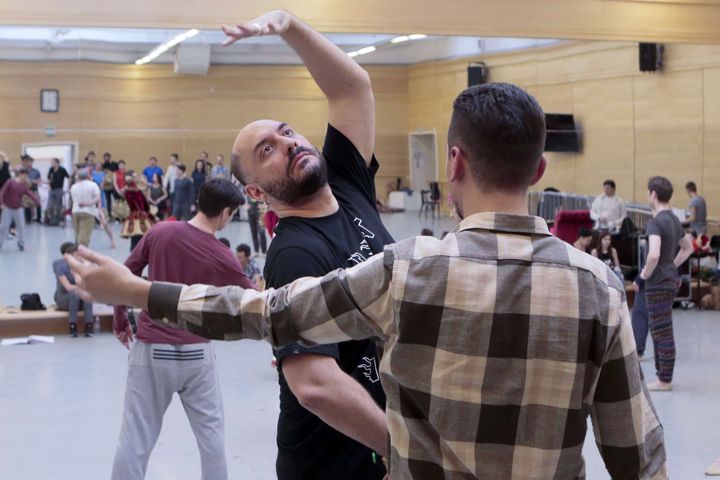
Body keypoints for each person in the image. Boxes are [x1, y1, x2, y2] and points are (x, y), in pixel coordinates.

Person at [69, 81, 669, 480]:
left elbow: (266, 312)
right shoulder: (598, 288)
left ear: (454, 164)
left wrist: (139, 292)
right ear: (539, 169)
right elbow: (635, 453)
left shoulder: (409, 269)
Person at [108, 178, 253, 480]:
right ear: (225, 213)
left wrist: (120, 316)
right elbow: (253, 299)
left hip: (151, 351)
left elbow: (123, 275)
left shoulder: (160, 231)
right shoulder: (223, 255)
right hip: (197, 354)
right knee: (211, 438)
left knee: (135, 438)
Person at [632, 176, 694, 392]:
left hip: (658, 282)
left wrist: (643, 275)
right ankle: (663, 376)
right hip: (669, 279)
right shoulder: (675, 219)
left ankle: (664, 380)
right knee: (662, 329)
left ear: (653, 194)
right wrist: (672, 266)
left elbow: (653, 255)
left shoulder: (656, 222)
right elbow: (688, 248)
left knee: (661, 332)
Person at [53, 242, 93, 337]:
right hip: (64, 299)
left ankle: (89, 324)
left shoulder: (83, 267)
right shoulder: (60, 268)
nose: (80, 258)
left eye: (80, 255)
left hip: (79, 300)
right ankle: (72, 325)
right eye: (77, 255)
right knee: (75, 294)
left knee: (86, 295)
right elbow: (68, 287)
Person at [0, 168, 41, 251]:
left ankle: (21, 243)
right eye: (25, 176)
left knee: (21, 226)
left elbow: (30, 194)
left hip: (18, 208)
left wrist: (37, 202)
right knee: (4, 226)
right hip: (8, 208)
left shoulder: (23, 186)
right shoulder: (10, 182)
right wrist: (1, 203)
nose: (26, 177)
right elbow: (2, 192)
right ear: (21, 174)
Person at [120, 175, 155, 251]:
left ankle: (133, 250)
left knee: (134, 235)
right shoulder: (138, 192)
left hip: (132, 216)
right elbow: (145, 206)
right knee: (143, 234)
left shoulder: (126, 192)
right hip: (142, 216)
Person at [70, 169, 101, 247]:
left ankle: (76, 248)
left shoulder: (73, 186)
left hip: (75, 211)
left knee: (78, 232)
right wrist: (88, 203)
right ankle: (82, 251)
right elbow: (97, 197)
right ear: (88, 176)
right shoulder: (93, 185)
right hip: (88, 212)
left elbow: (73, 199)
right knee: (84, 234)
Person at [46, 157, 69, 226]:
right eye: (51, 162)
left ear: (57, 163)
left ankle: (58, 220)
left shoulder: (62, 169)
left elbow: (69, 177)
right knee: (50, 205)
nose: (52, 164)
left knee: (58, 206)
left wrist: (68, 187)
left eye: (53, 162)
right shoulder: (51, 169)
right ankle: (51, 220)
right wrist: (49, 186)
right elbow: (49, 178)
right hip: (52, 190)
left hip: (59, 189)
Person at [21, 155, 42, 223]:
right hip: (26, 190)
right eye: (27, 162)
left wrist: (33, 181)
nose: (29, 163)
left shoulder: (36, 171)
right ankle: (28, 219)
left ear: (32, 162)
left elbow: (39, 180)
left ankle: (38, 218)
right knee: (27, 205)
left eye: (30, 162)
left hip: (34, 189)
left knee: (38, 203)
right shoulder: (23, 171)